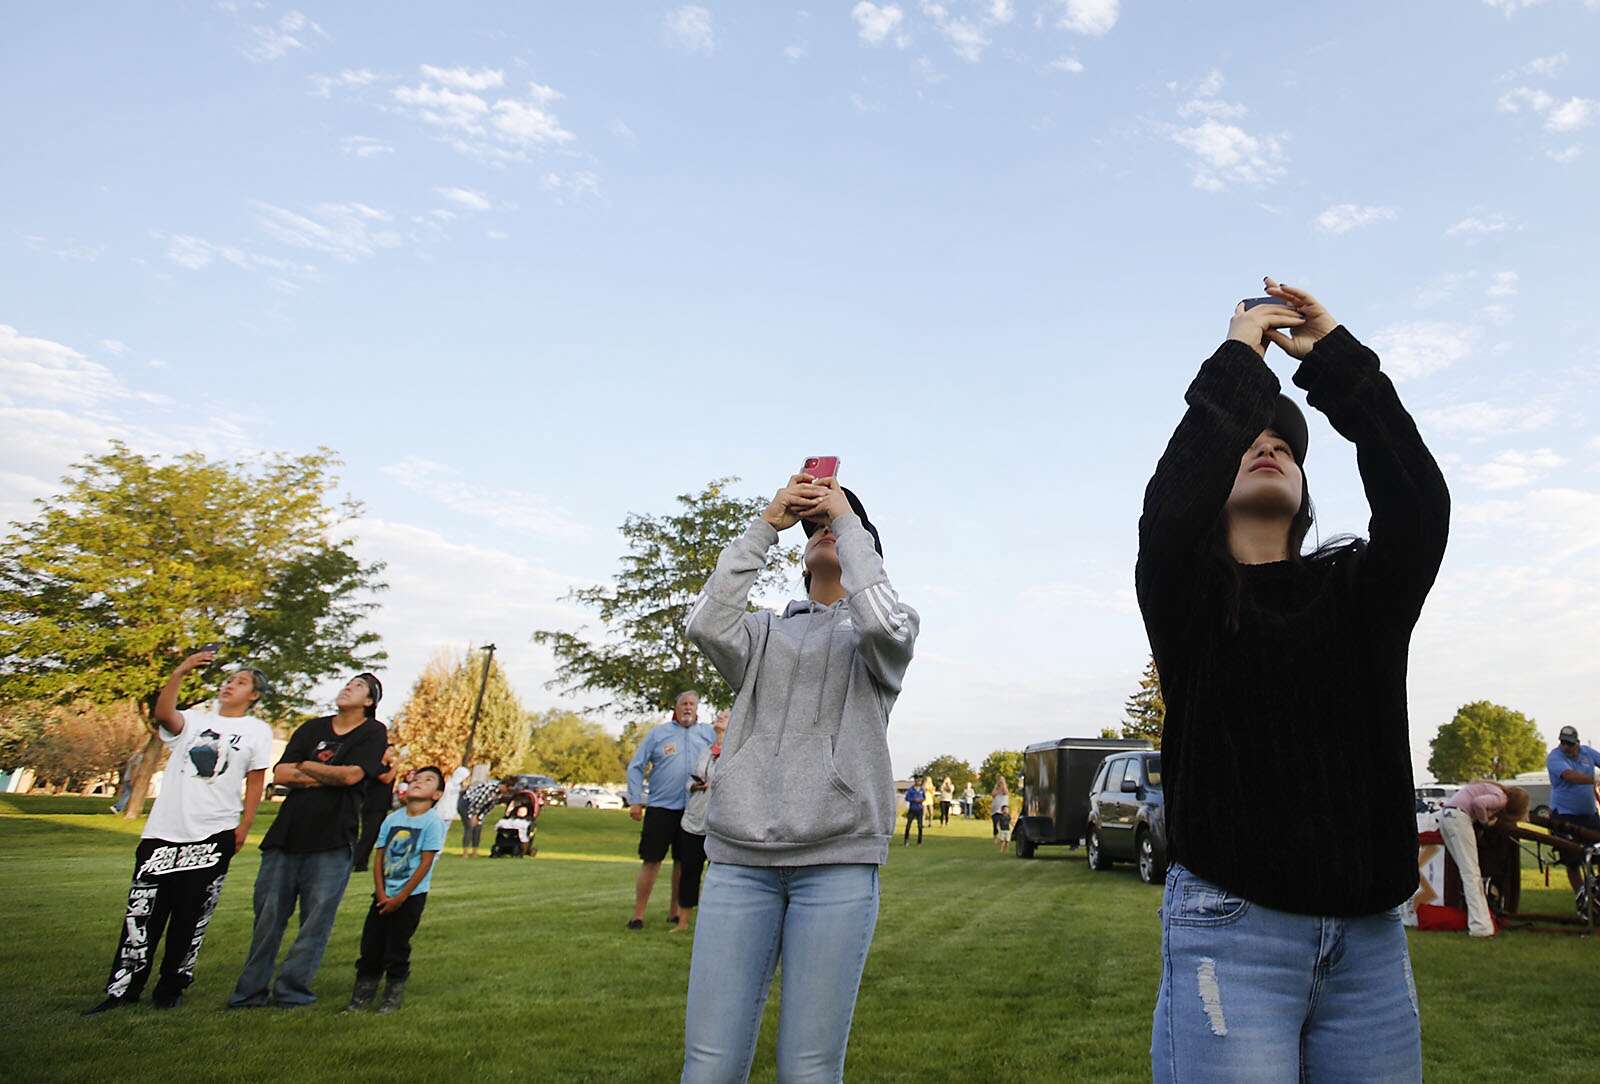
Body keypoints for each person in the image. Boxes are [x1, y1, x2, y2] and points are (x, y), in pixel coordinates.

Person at [1137, 278, 1448, 1083]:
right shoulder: (1189, 596)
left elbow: (1418, 504)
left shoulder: (1360, 591)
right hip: (1230, 928)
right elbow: (1169, 512)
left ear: (1307, 492)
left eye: (1285, 445)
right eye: (1249, 440)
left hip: (1371, 945)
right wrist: (1241, 356)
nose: (1269, 444)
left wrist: (1339, 359)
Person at [682, 471, 919, 1082]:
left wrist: (846, 519)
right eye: (816, 528)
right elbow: (705, 623)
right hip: (739, 864)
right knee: (708, 1066)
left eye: (837, 525)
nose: (825, 531)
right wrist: (766, 523)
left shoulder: (881, 635)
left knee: (809, 1070)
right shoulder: (762, 631)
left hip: (836, 865)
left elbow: (884, 623)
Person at [87, 652, 274, 1014]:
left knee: (190, 915)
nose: (230, 684)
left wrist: (244, 826)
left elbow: (255, 780)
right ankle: (123, 989)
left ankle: (170, 988)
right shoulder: (193, 721)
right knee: (142, 917)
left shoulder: (257, 731)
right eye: (229, 679)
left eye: (240, 682)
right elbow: (164, 714)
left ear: (253, 695)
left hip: (213, 833)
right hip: (163, 832)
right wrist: (181, 671)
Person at [228, 673, 389, 1009]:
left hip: (332, 841)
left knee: (315, 924)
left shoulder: (373, 732)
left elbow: (352, 776)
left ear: (370, 702)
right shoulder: (311, 728)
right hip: (285, 838)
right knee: (267, 919)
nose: (348, 687)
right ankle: (249, 993)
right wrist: (321, 773)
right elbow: (282, 773)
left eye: (358, 686)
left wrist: (306, 768)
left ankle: (292, 993)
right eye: (348, 682)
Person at [346, 764, 446, 1014]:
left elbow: (425, 863)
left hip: (410, 897)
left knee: (396, 947)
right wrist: (381, 892)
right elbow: (379, 857)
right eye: (416, 778)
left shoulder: (433, 823)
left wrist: (401, 896)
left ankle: (392, 998)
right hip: (382, 895)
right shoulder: (392, 819)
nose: (419, 781)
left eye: (428, 780)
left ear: (437, 795)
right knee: (371, 945)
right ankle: (361, 998)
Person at [625, 690, 716, 930]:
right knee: (651, 859)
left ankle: (675, 912)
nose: (687, 707)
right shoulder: (659, 734)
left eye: (692, 704)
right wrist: (635, 799)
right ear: (675, 708)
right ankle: (638, 915)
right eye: (683, 703)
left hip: (693, 810)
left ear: (698, 708)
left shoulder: (708, 734)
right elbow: (636, 766)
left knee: (684, 862)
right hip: (661, 807)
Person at [1438, 781, 1529, 937]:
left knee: (1466, 873)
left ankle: (1477, 920)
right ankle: (1480, 926)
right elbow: (1478, 803)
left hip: (1446, 816)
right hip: (1459, 818)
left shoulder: (1493, 789)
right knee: (1471, 875)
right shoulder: (1501, 798)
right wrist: (1485, 822)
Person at [677, 709, 730, 934]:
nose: (719, 716)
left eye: (725, 715)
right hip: (694, 821)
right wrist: (696, 785)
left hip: (720, 824)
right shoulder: (706, 751)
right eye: (719, 715)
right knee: (689, 870)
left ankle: (713, 922)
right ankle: (682, 921)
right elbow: (690, 780)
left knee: (717, 876)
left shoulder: (736, 751)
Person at [1546, 725, 1600, 896]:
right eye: (1563, 743)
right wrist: (1595, 780)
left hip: (1589, 815)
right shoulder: (1554, 757)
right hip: (1564, 816)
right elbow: (1570, 776)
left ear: (1577, 742)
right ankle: (1581, 898)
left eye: (1569, 743)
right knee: (1572, 860)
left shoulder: (1587, 753)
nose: (1566, 747)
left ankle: (1596, 891)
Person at [352, 739, 397, 873]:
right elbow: (386, 779)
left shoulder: (388, 768)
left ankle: (362, 863)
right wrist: (398, 764)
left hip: (383, 805)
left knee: (374, 836)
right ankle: (354, 861)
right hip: (372, 805)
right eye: (389, 751)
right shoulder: (376, 766)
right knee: (367, 835)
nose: (391, 754)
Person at [457, 775, 511, 859]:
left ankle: (474, 852)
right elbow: (477, 802)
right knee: (470, 827)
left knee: (478, 828)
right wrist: (473, 815)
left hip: (478, 807)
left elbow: (488, 808)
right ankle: (465, 853)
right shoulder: (489, 788)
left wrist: (480, 818)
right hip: (466, 804)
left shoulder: (499, 794)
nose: (507, 792)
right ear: (504, 785)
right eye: (508, 789)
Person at [903, 779, 926, 846]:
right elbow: (907, 798)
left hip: (920, 809)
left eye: (920, 781)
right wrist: (913, 800)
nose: (918, 782)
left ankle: (919, 842)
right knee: (908, 825)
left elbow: (924, 797)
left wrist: (921, 800)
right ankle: (906, 840)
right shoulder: (910, 789)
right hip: (912, 809)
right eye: (917, 781)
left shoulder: (922, 789)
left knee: (920, 826)